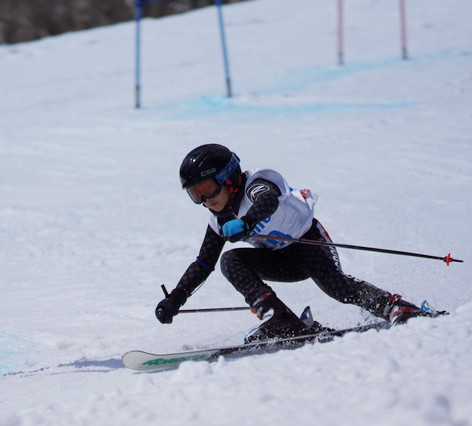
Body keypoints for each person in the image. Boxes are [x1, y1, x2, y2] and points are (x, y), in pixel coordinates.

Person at [155, 143, 441, 343]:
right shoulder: (219, 220)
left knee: (338, 289)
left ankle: (397, 307)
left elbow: (266, 201)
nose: (205, 200)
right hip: (280, 261)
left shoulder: (259, 182)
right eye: (195, 195)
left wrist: (246, 223)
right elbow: (204, 263)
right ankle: (280, 319)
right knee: (230, 260)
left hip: (309, 244)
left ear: (228, 178)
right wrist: (176, 298)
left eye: (206, 189)